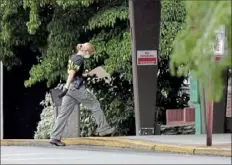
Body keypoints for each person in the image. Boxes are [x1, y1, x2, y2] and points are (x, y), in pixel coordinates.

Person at [49, 42, 117, 146]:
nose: (89, 55)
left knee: (63, 114)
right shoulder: (79, 59)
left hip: (70, 89)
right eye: (89, 53)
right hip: (76, 88)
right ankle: (104, 129)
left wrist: (86, 74)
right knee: (95, 104)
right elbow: (71, 74)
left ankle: (54, 137)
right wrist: (66, 87)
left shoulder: (73, 57)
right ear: (86, 51)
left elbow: (75, 73)